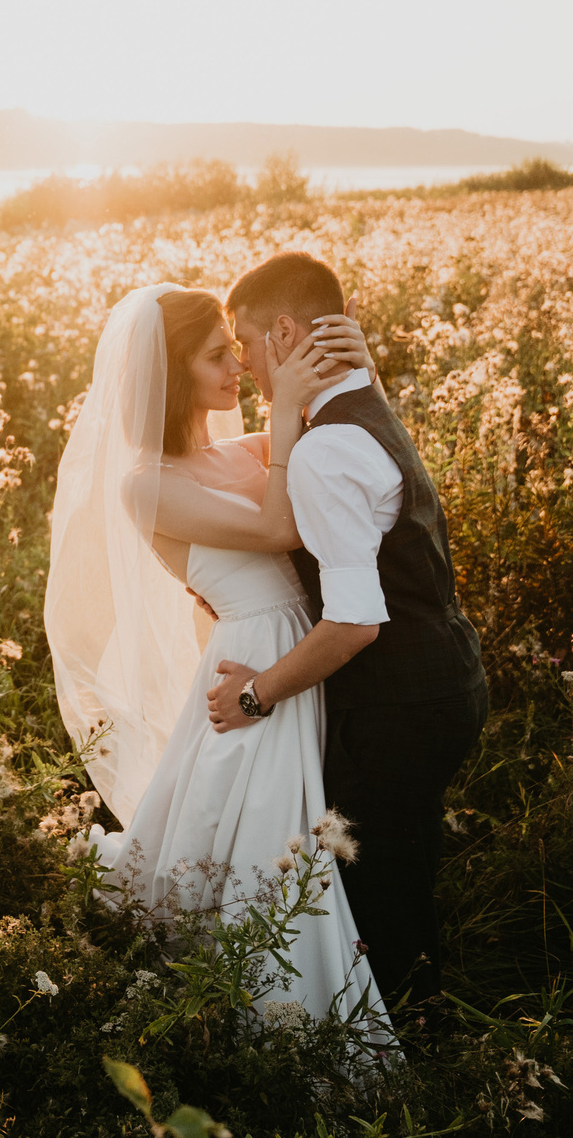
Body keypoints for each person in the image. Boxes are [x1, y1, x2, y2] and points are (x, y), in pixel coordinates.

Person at [44, 282, 385, 1027]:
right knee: (264, 832)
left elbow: (326, 441)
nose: (237, 367)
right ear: (171, 374)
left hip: (292, 651)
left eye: (237, 351)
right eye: (215, 357)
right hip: (255, 657)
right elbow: (277, 526)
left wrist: (357, 372)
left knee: (264, 830)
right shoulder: (145, 484)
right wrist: (283, 406)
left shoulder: (231, 452)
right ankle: (264, 1011)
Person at [207, 252, 488, 1014]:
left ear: (289, 331)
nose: (246, 362)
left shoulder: (326, 451)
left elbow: (356, 623)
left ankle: (396, 1059)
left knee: (369, 889)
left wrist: (255, 696)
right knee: (406, 860)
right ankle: (422, 1009)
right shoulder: (363, 403)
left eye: (249, 342)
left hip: (399, 703)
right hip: (448, 678)